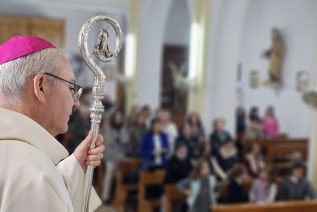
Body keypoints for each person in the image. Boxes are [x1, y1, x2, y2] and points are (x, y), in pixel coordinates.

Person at [0, 36, 104, 211]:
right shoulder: (34, 174)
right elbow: (36, 185)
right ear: (41, 86)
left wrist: (75, 168)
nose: (76, 103)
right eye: (71, 88)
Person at [101, 109, 129, 202]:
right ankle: (105, 196)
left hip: (121, 157)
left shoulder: (122, 127)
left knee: (122, 175)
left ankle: (119, 196)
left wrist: (120, 140)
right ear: (114, 118)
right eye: (117, 118)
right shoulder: (109, 128)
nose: (118, 119)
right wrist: (120, 142)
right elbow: (110, 142)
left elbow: (126, 140)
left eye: (120, 118)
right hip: (111, 156)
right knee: (109, 174)